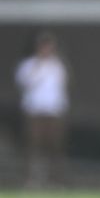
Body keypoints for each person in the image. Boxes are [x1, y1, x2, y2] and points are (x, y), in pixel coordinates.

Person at [15, 31, 69, 188]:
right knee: (33, 146)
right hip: (35, 111)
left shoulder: (57, 65)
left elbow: (61, 87)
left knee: (54, 146)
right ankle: (31, 180)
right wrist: (38, 66)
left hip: (53, 111)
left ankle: (55, 181)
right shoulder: (29, 65)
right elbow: (24, 83)